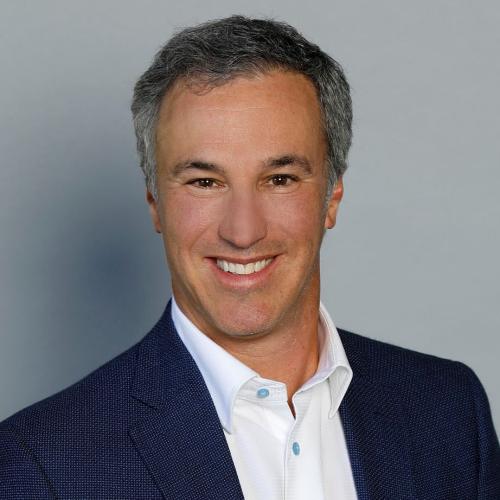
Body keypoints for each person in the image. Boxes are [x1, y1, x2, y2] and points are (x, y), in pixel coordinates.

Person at [0, 15, 499, 500]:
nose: (243, 232)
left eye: (279, 179)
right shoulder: (40, 466)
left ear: (331, 197)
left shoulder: (449, 411)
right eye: (205, 182)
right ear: (155, 203)